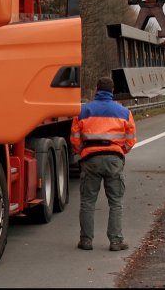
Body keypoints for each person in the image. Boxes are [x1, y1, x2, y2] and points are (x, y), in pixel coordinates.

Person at [70, 76, 136, 251]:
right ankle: (116, 241)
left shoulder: (84, 111)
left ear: (96, 89)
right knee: (115, 202)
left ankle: (86, 241)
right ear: (112, 91)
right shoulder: (124, 112)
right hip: (114, 158)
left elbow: (75, 139)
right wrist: (121, 151)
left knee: (87, 202)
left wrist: (82, 151)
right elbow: (130, 139)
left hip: (90, 158)